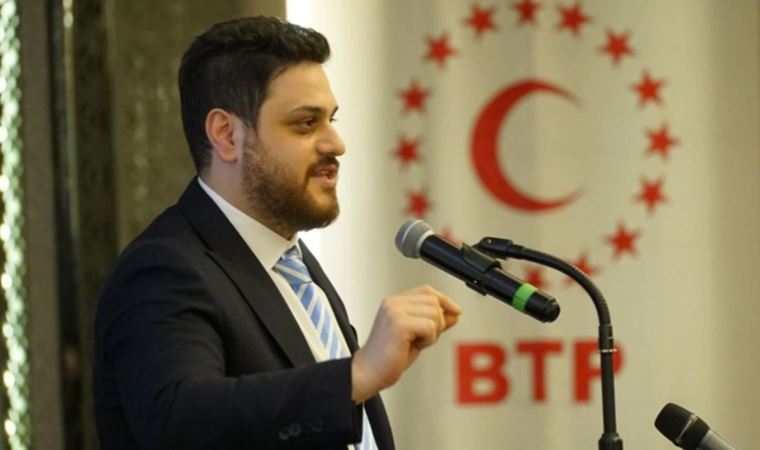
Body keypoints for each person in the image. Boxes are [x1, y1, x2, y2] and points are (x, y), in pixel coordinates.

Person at [93, 16, 461, 450]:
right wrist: (357, 374)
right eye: (306, 123)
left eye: (331, 119)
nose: (336, 144)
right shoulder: (163, 267)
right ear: (226, 135)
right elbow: (180, 420)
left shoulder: (293, 264)